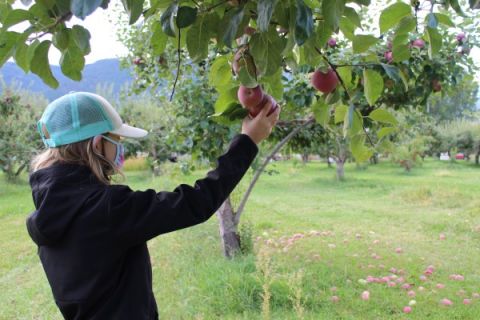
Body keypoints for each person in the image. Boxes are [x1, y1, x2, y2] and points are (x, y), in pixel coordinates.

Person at [26, 92, 280, 319]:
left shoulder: (48, 213)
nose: (119, 149)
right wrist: (248, 142)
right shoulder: (107, 209)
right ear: (96, 145)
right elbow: (196, 203)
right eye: (115, 140)